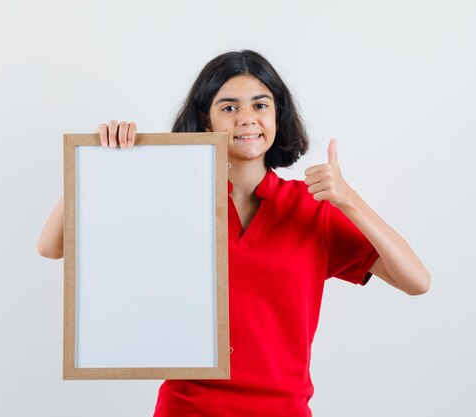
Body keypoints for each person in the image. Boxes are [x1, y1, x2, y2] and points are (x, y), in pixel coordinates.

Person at [37, 50, 430, 416]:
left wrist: (349, 200)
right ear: (206, 118)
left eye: (261, 105)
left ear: (278, 117)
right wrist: (98, 163)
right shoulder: (171, 198)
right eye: (229, 107)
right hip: (186, 408)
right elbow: (51, 246)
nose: (247, 118)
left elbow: (416, 281)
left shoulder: (313, 210)